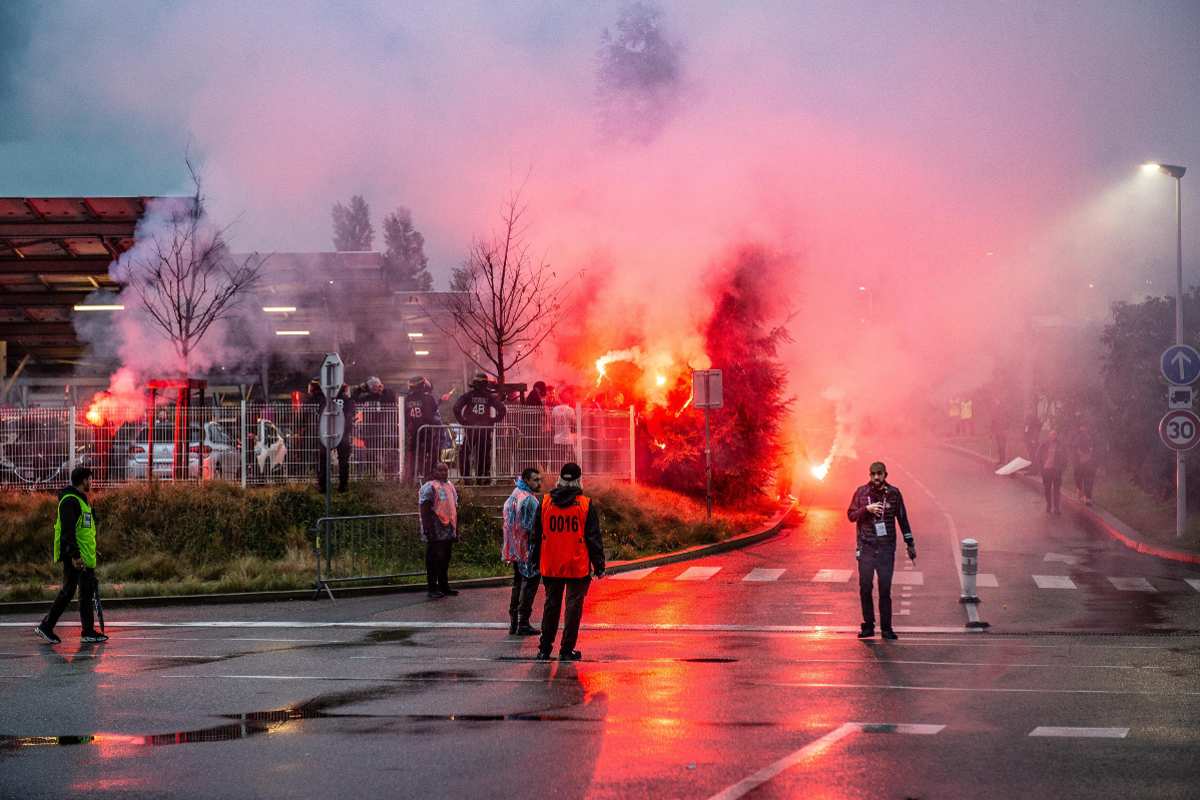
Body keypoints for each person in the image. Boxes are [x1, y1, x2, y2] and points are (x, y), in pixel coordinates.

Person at [529, 462, 604, 661]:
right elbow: (593, 538)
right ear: (580, 480)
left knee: (551, 606)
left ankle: (544, 649)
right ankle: (566, 649)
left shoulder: (545, 502)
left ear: (560, 479)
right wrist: (599, 566)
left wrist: (534, 560)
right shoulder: (585, 504)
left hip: (551, 564)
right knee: (573, 609)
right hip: (576, 566)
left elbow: (536, 535)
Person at [34, 467, 109, 645]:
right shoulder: (69, 501)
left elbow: (84, 530)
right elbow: (68, 532)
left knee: (85, 593)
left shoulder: (82, 501)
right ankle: (46, 626)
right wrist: (75, 555)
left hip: (84, 555)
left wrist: (90, 550)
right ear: (83, 480)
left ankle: (88, 631)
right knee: (68, 591)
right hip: (75, 557)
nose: (91, 482)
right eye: (90, 479)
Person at [846, 461, 916, 641]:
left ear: (885, 474)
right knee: (865, 588)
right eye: (873, 474)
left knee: (885, 590)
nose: (876, 477)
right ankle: (868, 626)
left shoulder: (894, 493)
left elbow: (903, 519)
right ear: (869, 475)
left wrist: (910, 543)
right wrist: (866, 509)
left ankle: (886, 629)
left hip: (886, 548)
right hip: (866, 547)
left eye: (879, 474)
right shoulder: (861, 492)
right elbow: (851, 516)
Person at [503, 467, 543, 636]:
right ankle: (523, 622)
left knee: (518, 583)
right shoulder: (529, 500)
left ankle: (514, 622)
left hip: (514, 548)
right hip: (528, 549)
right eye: (536, 480)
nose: (539, 483)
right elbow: (532, 527)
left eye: (540, 479)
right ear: (527, 480)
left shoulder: (515, 494)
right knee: (530, 583)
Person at [453, 371, 507, 485]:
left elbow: (456, 408)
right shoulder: (489, 397)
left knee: (464, 453)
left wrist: (463, 421)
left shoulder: (468, 396)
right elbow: (502, 410)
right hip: (485, 430)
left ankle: (466, 478)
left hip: (471, 429)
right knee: (483, 454)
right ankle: (482, 478)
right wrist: (493, 420)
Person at [419, 462, 460, 599]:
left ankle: (444, 586)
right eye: (440, 470)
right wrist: (427, 529)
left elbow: (453, 507)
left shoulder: (450, 486)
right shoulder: (429, 487)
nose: (444, 473)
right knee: (433, 559)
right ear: (434, 471)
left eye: (445, 470)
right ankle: (432, 588)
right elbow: (424, 508)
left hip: (448, 529)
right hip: (434, 530)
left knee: (445, 558)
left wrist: (455, 530)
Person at [352, 377, 399, 476]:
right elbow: (354, 398)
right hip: (365, 430)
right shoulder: (366, 397)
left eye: (377, 386)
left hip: (380, 431)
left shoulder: (384, 397)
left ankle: (377, 473)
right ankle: (369, 474)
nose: (375, 389)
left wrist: (383, 390)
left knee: (377, 453)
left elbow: (392, 397)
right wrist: (360, 388)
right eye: (372, 386)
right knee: (367, 454)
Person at [317, 384, 356, 492]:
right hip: (342, 435)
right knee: (343, 461)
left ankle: (323, 486)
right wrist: (346, 431)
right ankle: (343, 486)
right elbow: (350, 417)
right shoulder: (348, 401)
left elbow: (321, 415)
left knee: (324, 461)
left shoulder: (326, 400)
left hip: (327, 434)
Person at [404, 376, 443, 483]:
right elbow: (433, 411)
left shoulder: (408, 399)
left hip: (413, 432)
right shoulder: (428, 398)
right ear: (422, 385)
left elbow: (405, 416)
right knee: (432, 453)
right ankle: (429, 477)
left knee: (413, 455)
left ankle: (411, 478)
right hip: (427, 431)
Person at [1037, 430, 1068, 514]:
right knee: (1047, 489)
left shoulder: (1060, 445)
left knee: (1057, 490)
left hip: (1056, 471)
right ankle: (1049, 505)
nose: (1053, 436)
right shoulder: (1044, 444)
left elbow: (1065, 458)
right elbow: (1038, 456)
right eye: (1051, 435)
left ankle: (1057, 508)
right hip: (1046, 470)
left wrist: (1062, 468)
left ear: (1056, 436)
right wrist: (1041, 468)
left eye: (1055, 434)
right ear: (1049, 436)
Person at [550, 388, 578, 470]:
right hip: (567, 438)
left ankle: (558, 473)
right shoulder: (570, 410)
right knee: (572, 458)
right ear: (569, 400)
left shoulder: (555, 409)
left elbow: (552, 422)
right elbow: (575, 423)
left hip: (557, 438)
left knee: (559, 459)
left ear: (560, 399)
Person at [1073, 424, 1097, 506]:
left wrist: (1089, 456)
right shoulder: (1078, 437)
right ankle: (1080, 491)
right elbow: (1075, 448)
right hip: (1079, 462)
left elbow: (1093, 447)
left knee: (1089, 479)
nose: (1084, 428)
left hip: (1089, 461)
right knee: (1079, 478)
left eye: (1085, 426)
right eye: (1082, 426)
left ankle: (1088, 497)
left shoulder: (1091, 437)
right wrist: (1081, 456)